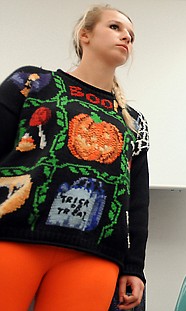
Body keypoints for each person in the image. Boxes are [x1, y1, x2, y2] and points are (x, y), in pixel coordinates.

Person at [0, 5, 149, 311]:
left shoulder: (134, 121)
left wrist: (134, 266)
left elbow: (137, 199)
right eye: (115, 28)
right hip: (14, 234)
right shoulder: (31, 82)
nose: (126, 38)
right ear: (85, 35)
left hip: (96, 253)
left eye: (131, 36)